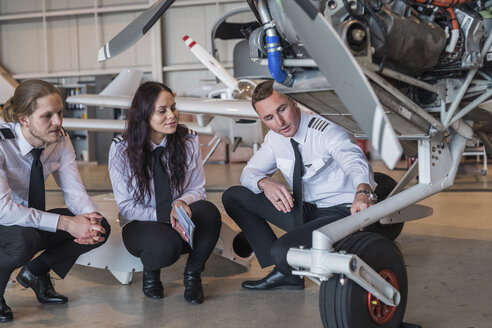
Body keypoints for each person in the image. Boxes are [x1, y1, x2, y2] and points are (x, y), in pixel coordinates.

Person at [222, 80, 376, 290]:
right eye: (269, 118)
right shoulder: (275, 139)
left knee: (282, 250)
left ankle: (284, 266)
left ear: (294, 102)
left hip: (340, 212)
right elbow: (249, 173)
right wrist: (265, 182)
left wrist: (362, 191)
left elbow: (353, 160)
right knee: (233, 196)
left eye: (282, 109)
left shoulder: (325, 129)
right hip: (305, 210)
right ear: (262, 119)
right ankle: (284, 272)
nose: (280, 122)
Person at [0, 80, 110, 322]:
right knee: (25, 239)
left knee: (101, 226)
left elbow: (75, 192)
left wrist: (90, 218)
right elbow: (5, 211)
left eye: (59, 112)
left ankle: (36, 273)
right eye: (47, 115)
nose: (58, 121)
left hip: (26, 218)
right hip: (5, 220)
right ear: (24, 119)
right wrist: (68, 224)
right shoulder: (1, 143)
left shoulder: (59, 139)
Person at [108, 81, 221, 304]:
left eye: (173, 108)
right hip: (140, 221)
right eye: (162, 111)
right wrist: (165, 215)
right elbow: (127, 206)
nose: (172, 115)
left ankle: (193, 275)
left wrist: (180, 203)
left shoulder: (188, 140)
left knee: (209, 212)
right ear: (143, 115)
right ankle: (151, 273)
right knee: (167, 246)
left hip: (178, 212)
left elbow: (196, 188)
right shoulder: (121, 149)